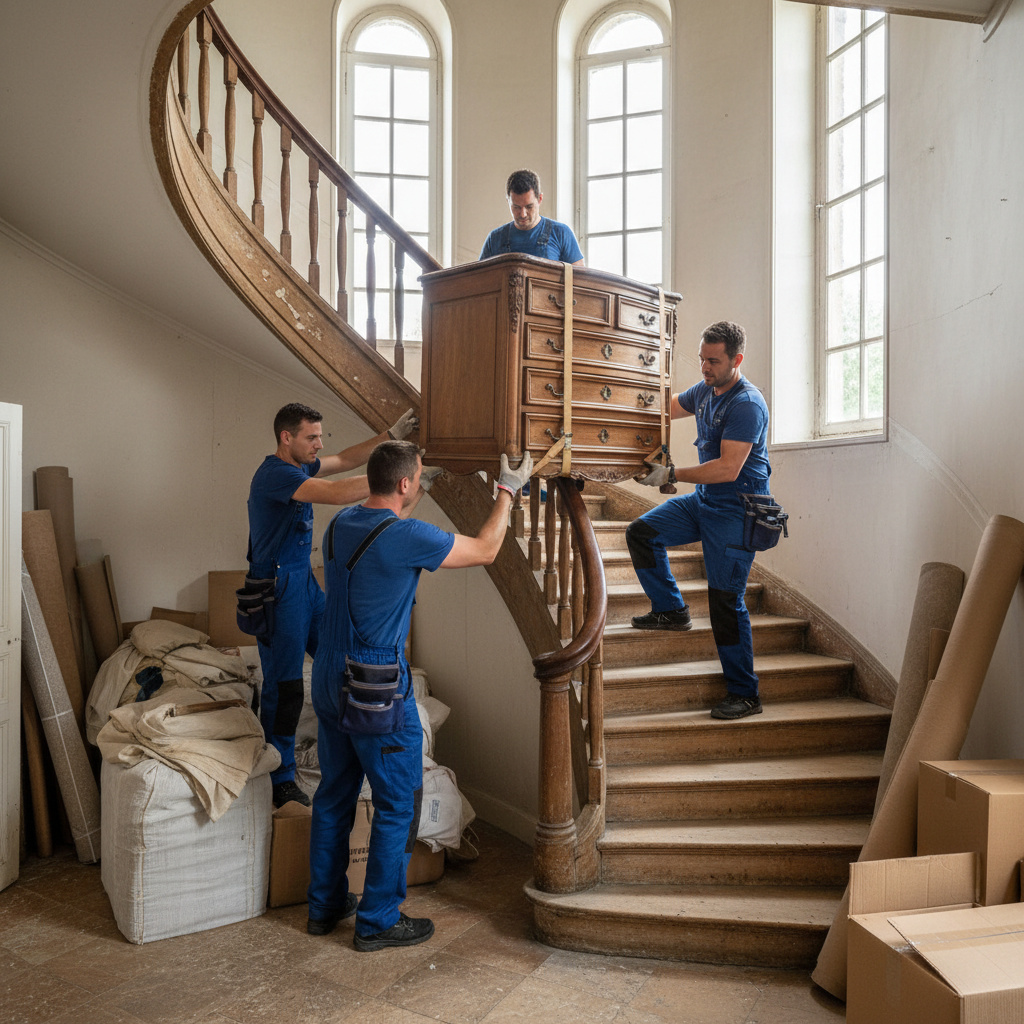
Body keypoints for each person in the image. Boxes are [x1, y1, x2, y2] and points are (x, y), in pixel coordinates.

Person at [306, 440, 533, 950]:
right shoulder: (407, 535)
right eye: (417, 478)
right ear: (405, 483)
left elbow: (389, 520)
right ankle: (379, 920)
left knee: (334, 795)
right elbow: (486, 549)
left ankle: (323, 906)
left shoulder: (340, 525)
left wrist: (417, 487)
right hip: (376, 688)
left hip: (327, 677)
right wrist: (508, 489)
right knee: (396, 804)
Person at [247, 402, 419, 808]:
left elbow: (342, 460)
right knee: (285, 687)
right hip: (277, 588)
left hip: (303, 582)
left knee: (338, 655)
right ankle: (281, 774)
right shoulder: (275, 474)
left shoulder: (299, 465)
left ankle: (347, 743)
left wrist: (388, 437)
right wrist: (398, 478)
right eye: (311, 437)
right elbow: (335, 491)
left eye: (319, 436)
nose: (319, 445)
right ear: (286, 438)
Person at [625, 321, 772, 721]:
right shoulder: (705, 391)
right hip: (704, 502)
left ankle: (745, 694)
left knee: (725, 602)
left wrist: (671, 474)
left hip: (737, 511)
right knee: (642, 533)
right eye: (703, 359)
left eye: (714, 361)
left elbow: (727, 468)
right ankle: (671, 609)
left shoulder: (747, 404)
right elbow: (665, 408)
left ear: (736, 360)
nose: (705, 367)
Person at [479, 169, 584, 264]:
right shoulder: (494, 239)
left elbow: (580, 281)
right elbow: (479, 280)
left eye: (529, 207)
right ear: (508, 201)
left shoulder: (561, 233)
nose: (523, 214)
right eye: (516, 207)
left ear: (540, 199)